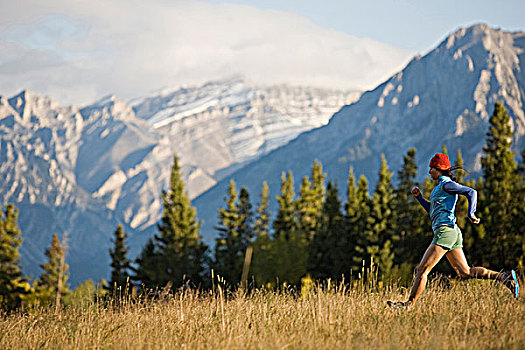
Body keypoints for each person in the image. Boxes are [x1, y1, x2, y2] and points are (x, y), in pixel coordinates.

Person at [388, 153, 519, 309]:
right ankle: (504, 277)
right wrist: (420, 198)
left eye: (432, 168)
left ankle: (408, 305)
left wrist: (471, 213)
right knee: (466, 273)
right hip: (451, 232)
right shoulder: (440, 187)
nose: (429, 171)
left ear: (439, 169)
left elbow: (471, 192)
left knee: (422, 269)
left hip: (446, 232)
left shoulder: (446, 184)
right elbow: (432, 210)